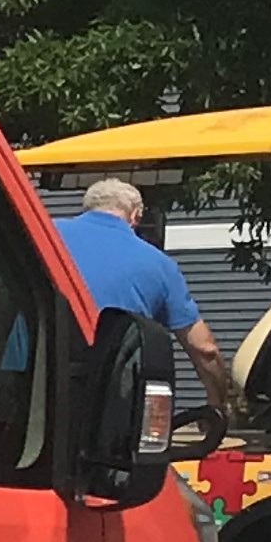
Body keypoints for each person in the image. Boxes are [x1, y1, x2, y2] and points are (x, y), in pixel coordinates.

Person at [55, 177, 238, 428]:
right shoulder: (158, 264)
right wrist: (217, 404)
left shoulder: (47, 237)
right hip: (107, 395)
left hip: (32, 381)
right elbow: (204, 349)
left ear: (87, 207)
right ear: (135, 216)